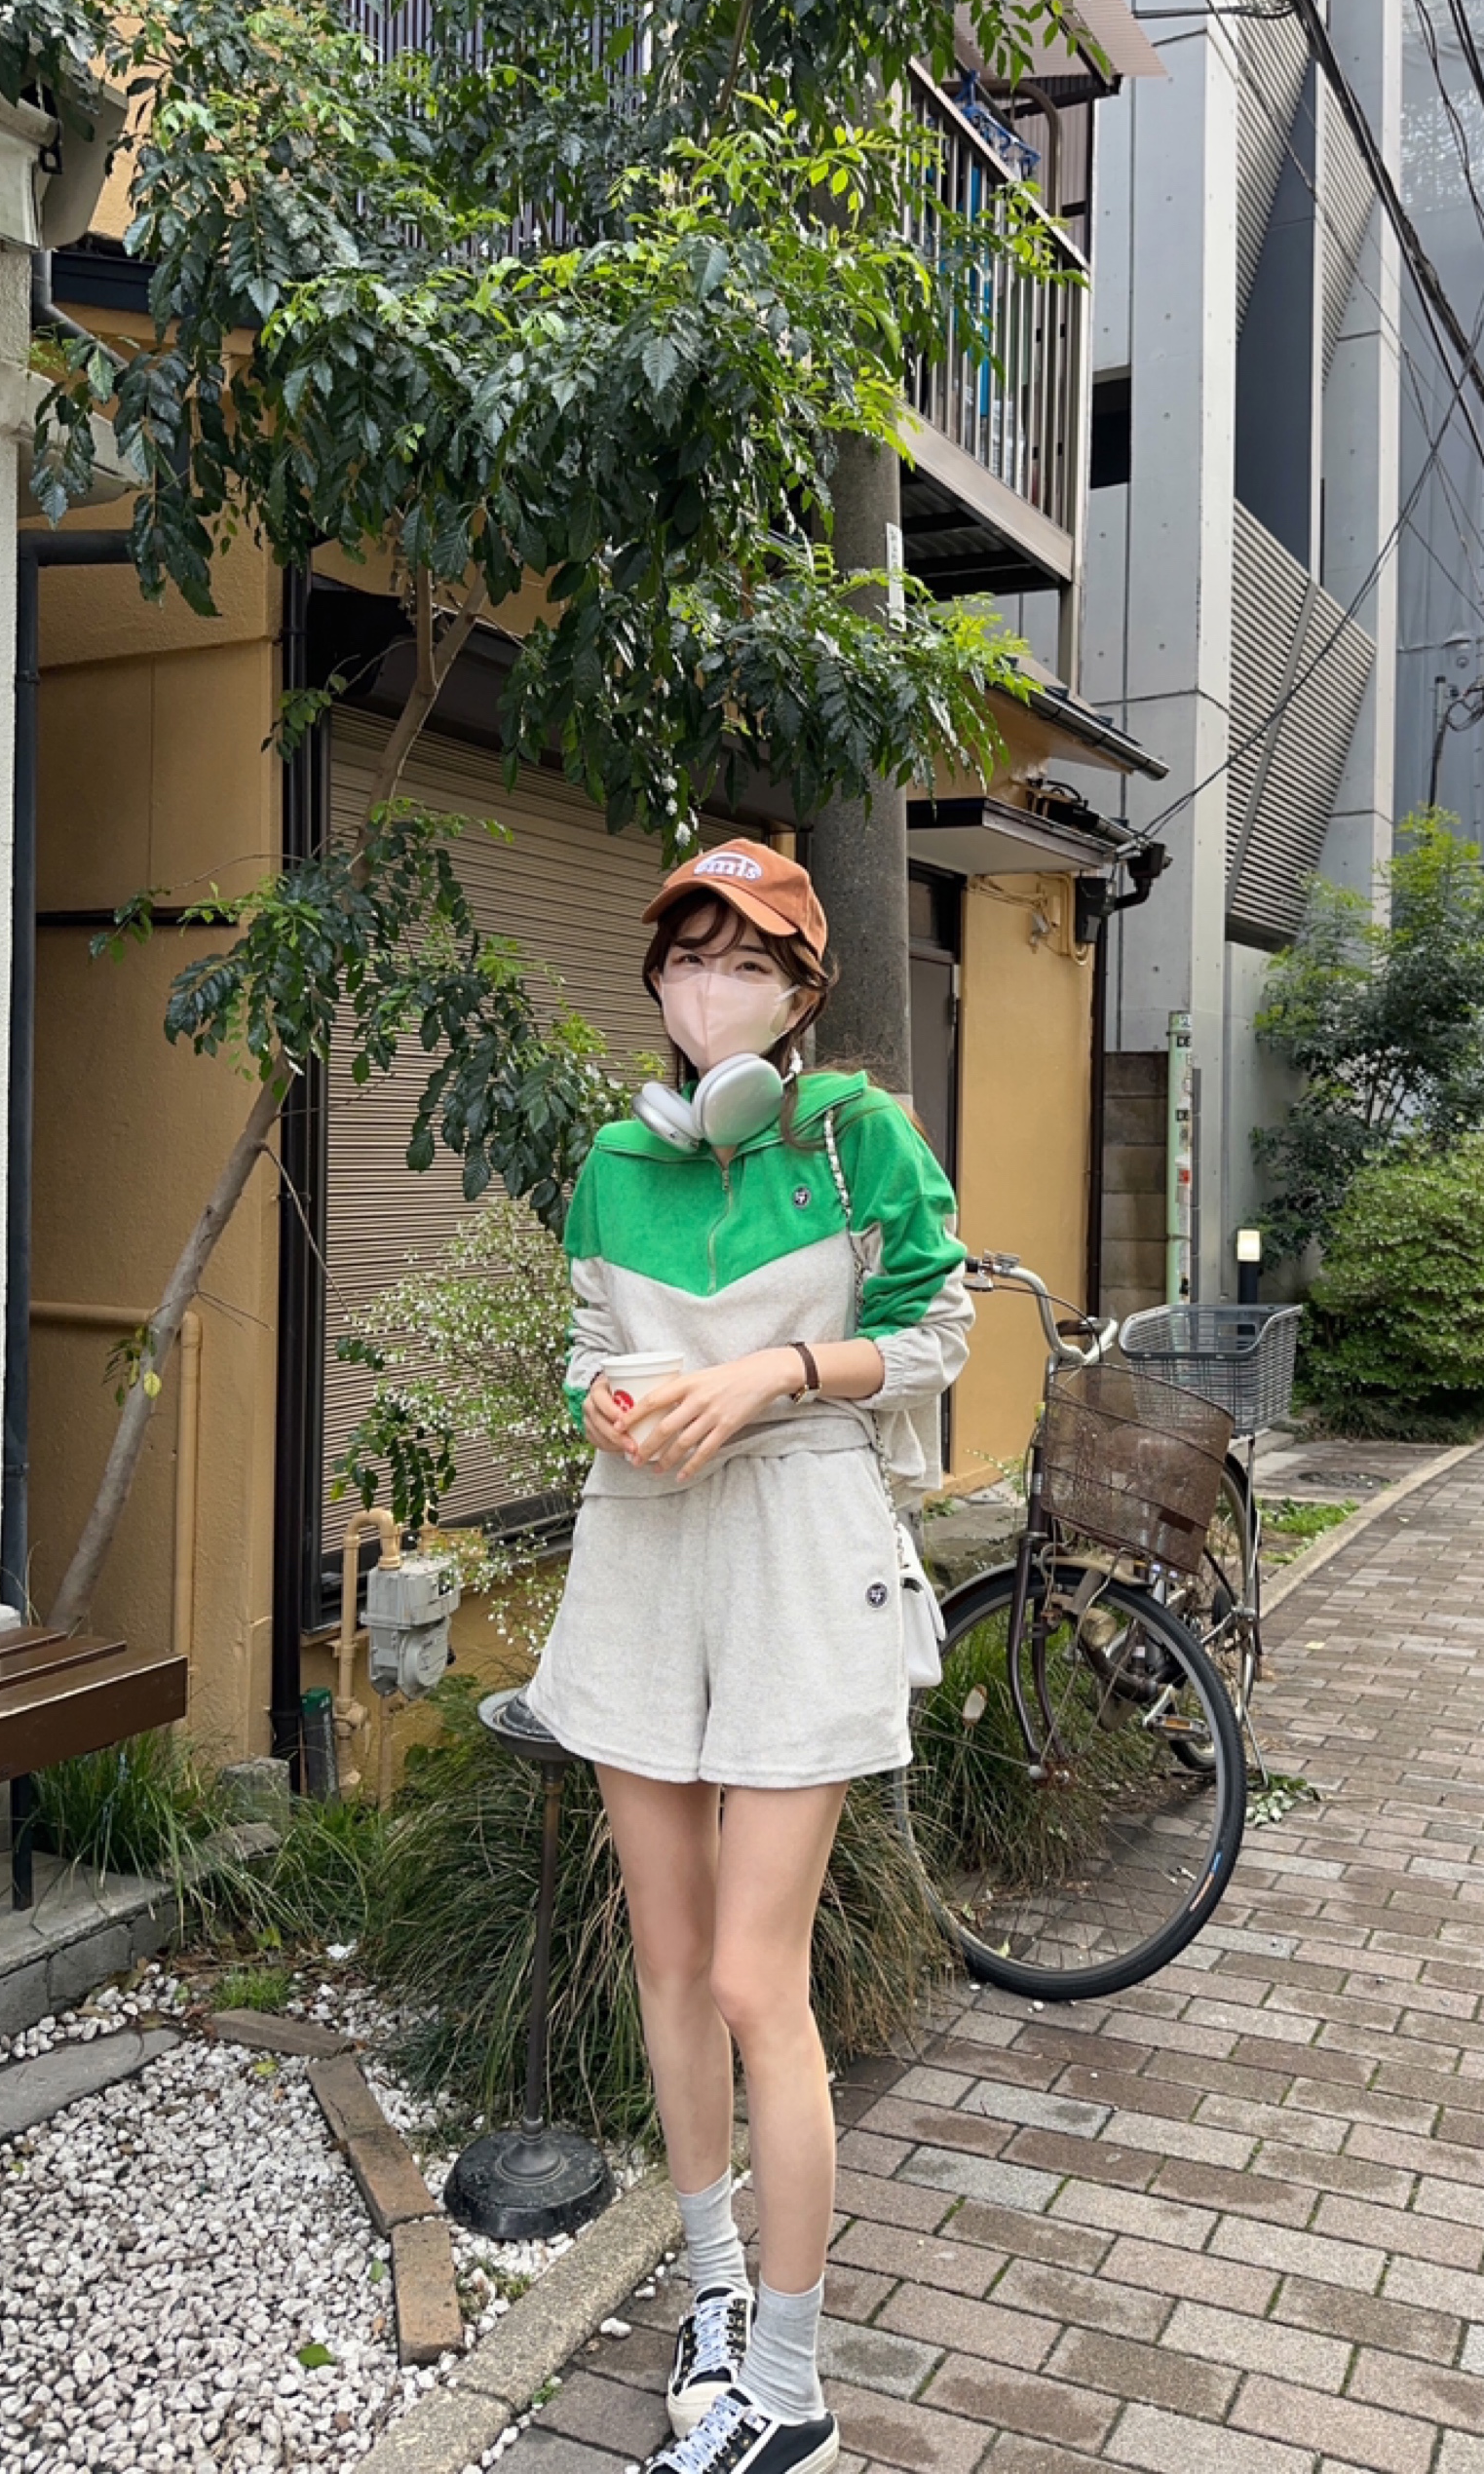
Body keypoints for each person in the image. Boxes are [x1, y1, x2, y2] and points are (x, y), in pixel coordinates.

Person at [525, 840, 971, 2474]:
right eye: (688, 958)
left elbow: (936, 1337)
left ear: (801, 991)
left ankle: (790, 2388)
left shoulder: (860, 1139)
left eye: (746, 962)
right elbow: (587, 1346)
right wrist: (612, 1403)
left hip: (797, 1545)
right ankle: (713, 2291)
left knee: (749, 1982)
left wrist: (772, 1372)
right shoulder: (609, 1163)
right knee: (665, 1960)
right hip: (640, 1546)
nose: (709, 987)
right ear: (658, 982)